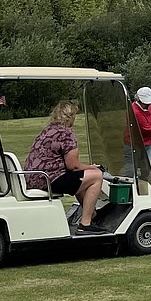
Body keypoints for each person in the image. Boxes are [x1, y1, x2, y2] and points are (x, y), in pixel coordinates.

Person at [24, 100, 108, 235]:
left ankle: (91, 213)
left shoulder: (48, 130)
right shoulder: (66, 133)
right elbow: (73, 165)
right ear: (70, 116)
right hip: (50, 180)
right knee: (96, 175)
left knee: (82, 179)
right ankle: (86, 223)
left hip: (34, 177)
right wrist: (92, 167)